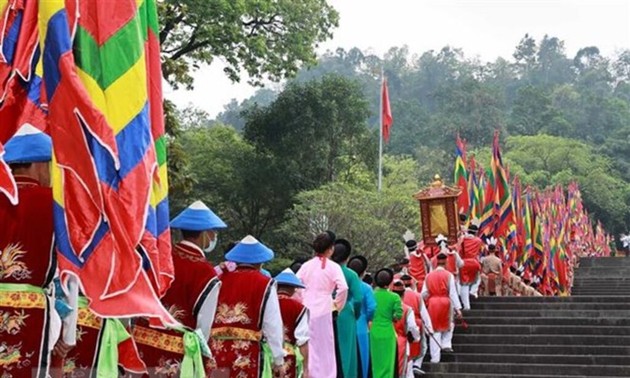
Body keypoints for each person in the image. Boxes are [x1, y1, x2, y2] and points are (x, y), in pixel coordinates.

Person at [0, 125, 78, 377]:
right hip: (32, 311)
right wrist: (69, 330)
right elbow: (70, 272)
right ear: (39, 165)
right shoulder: (57, 205)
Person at [133, 201, 223, 376]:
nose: (214, 237)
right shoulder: (205, 272)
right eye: (213, 232)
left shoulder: (160, 258)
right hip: (176, 350)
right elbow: (203, 324)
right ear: (205, 233)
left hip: (141, 341)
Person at [210, 235, 285, 377]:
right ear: (260, 262)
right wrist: (278, 359)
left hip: (216, 349)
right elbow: (272, 324)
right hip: (246, 351)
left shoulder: (218, 281)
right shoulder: (265, 283)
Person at [296, 232, 348, 378]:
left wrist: (301, 300)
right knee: (325, 347)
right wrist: (337, 305)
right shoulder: (333, 267)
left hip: (306, 308)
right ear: (331, 249)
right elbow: (343, 288)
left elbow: (295, 285)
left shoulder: (306, 266)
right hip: (325, 309)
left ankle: (309, 374)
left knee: (309, 345)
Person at [422, 252, 462, 363]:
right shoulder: (449, 275)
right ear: (446, 262)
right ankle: (446, 344)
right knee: (448, 324)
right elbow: (453, 293)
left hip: (433, 303)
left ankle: (435, 358)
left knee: (434, 329)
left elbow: (424, 293)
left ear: (435, 263)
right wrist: (458, 309)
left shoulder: (428, 276)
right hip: (445, 302)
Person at [332, 238, 363, 378]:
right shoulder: (351, 274)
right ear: (347, 257)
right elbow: (358, 299)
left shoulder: (326, 271)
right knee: (347, 351)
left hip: (324, 311)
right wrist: (355, 314)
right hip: (345, 312)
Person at [274, 269, 310, 378]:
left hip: (266, 354)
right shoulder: (299, 308)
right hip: (287, 354)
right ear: (293, 289)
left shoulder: (266, 303)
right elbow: (302, 341)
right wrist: (305, 368)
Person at [370, 268, 403, 378]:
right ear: (389, 282)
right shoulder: (394, 297)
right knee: (388, 362)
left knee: (375, 361)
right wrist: (391, 318)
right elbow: (398, 315)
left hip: (373, 331)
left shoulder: (372, 294)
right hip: (388, 332)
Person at [348, 255, 376, 378]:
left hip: (345, 327)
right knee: (363, 360)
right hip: (361, 327)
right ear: (364, 272)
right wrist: (367, 318)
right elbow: (372, 307)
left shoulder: (342, 286)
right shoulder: (366, 287)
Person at [401, 274, 433, 376]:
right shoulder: (417, 296)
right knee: (422, 346)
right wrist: (429, 328)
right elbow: (424, 313)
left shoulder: (396, 296)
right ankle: (417, 364)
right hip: (416, 322)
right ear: (412, 284)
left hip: (400, 323)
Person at [392, 279, 420, 378]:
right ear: (404, 294)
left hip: (387, 339)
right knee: (403, 370)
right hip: (402, 342)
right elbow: (412, 327)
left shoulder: (385, 307)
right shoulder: (407, 309)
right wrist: (416, 338)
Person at [458, 224, 483, 309]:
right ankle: (473, 291)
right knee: (478, 278)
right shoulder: (478, 241)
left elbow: (459, 249)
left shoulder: (463, 239)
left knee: (464, 284)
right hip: (474, 262)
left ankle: (466, 306)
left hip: (464, 262)